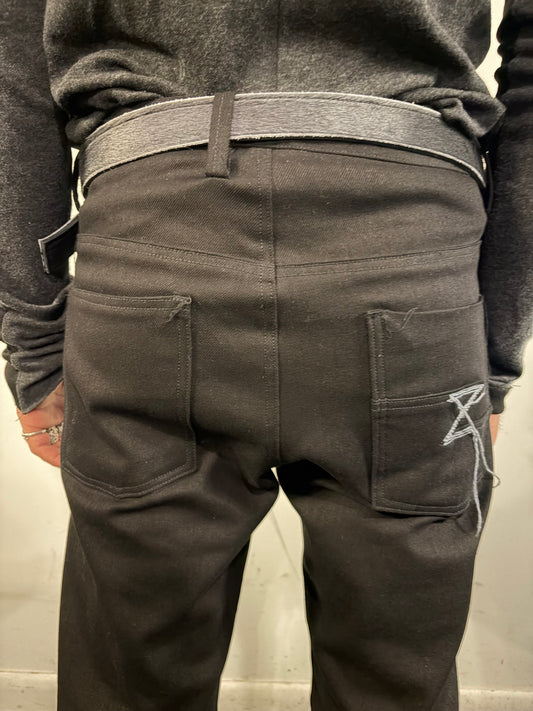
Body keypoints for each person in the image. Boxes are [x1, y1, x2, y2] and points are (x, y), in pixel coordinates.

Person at [1, 1, 531, 710]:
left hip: (151, 243)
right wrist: (492, 352)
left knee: (129, 680)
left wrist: (35, 338)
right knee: (395, 678)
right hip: (409, 256)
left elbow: (13, 56)